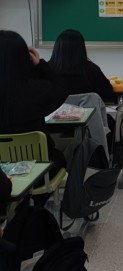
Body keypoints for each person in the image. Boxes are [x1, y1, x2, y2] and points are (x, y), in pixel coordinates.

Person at [0, 30, 68, 183]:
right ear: (24, 58)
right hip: (38, 171)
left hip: (2, 177)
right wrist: (40, 65)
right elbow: (62, 89)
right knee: (61, 157)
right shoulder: (36, 89)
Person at [48, 28, 114, 101]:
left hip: (55, 108)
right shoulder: (92, 70)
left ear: (57, 48)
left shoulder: (45, 70)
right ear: (81, 48)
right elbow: (109, 95)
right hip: (87, 109)